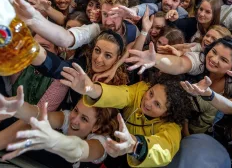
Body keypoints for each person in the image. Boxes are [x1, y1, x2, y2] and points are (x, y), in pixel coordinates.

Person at [62, 68, 193, 167]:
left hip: (137, 160)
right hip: (116, 148)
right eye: (151, 93)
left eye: (157, 104)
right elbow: (121, 94)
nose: (148, 102)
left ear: (167, 113)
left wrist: (134, 146)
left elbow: (163, 150)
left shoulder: (172, 128)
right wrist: (92, 90)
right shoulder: (141, 89)